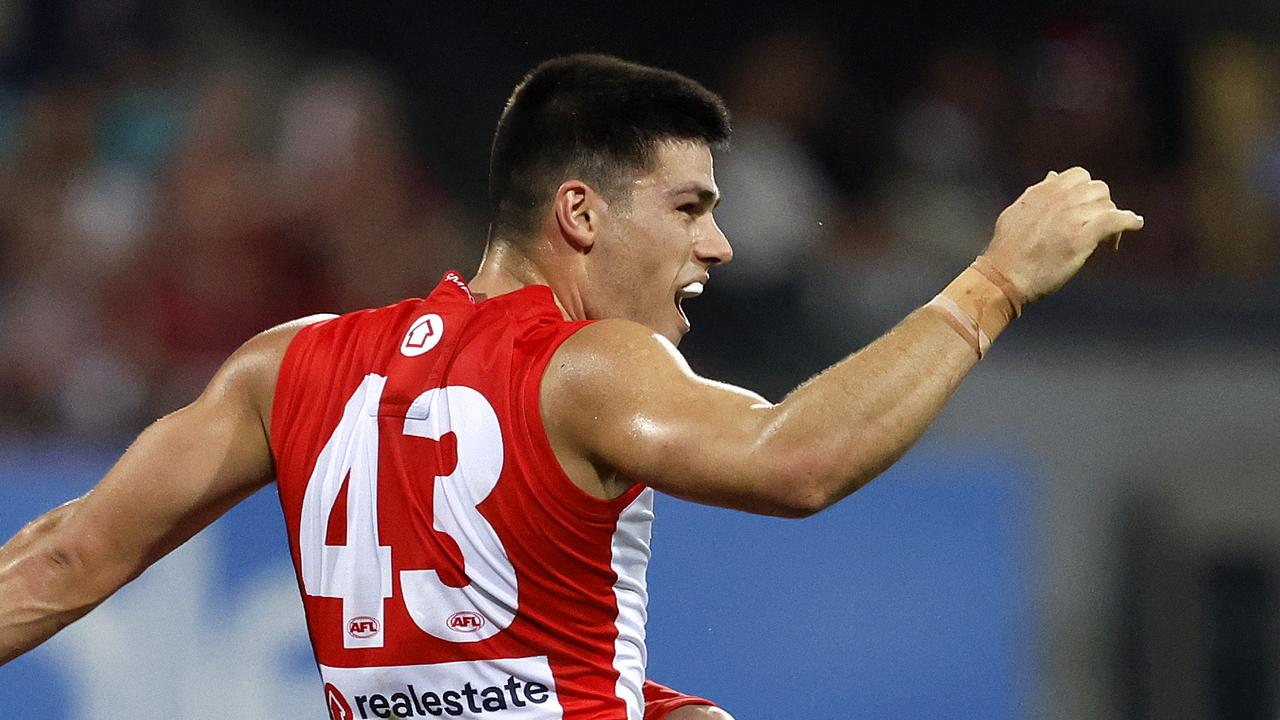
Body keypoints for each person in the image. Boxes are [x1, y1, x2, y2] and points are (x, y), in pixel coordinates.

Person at [0, 54, 1142, 719]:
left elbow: (62, 560)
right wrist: (991, 284)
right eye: (691, 207)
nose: (720, 247)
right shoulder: (586, 367)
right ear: (581, 215)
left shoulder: (284, 363)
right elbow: (797, 460)